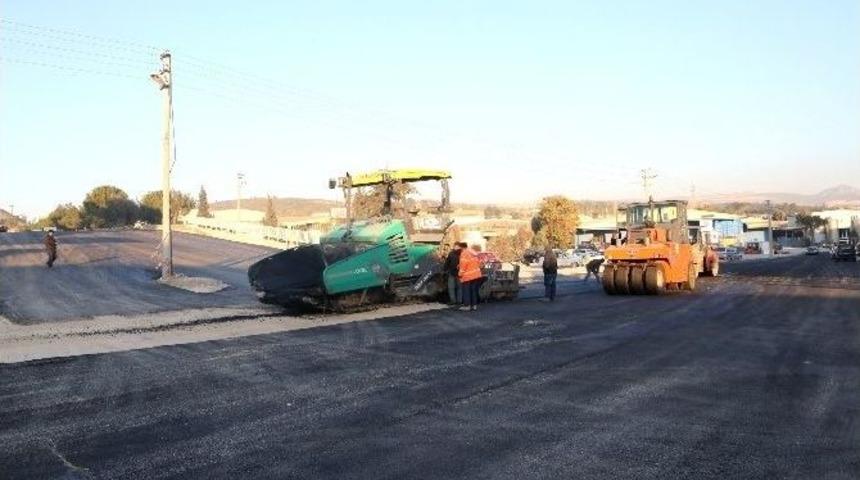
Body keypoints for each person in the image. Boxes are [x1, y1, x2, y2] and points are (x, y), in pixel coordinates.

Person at [458, 243, 483, 311]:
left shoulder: (464, 253)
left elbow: (463, 265)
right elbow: (480, 263)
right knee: (473, 290)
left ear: (461, 248)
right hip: (476, 274)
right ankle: (474, 305)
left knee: (466, 290)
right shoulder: (473, 253)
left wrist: (460, 274)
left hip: (468, 275)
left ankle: (467, 306)